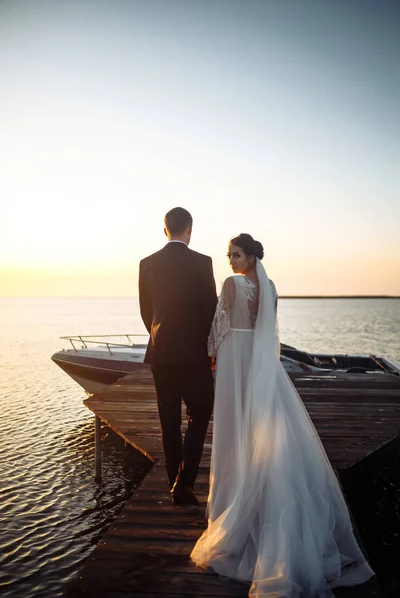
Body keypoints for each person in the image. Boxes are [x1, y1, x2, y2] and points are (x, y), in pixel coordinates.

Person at [191, 233, 374, 596]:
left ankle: (236, 492)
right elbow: (272, 331)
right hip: (261, 364)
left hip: (234, 359)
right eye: (229, 255)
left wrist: (210, 351)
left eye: (236, 254)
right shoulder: (271, 285)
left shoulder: (231, 284)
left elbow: (218, 329)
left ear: (250, 256)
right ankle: (254, 484)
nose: (230, 260)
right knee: (261, 423)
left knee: (235, 424)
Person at [139, 207, 217, 506]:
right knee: (200, 413)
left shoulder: (147, 264)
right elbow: (210, 308)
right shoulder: (202, 262)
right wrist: (209, 349)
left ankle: (175, 481)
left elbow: (147, 311)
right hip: (195, 354)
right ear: (190, 230)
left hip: (161, 353)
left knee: (168, 421)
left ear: (165, 229)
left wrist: (160, 337)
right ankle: (184, 483)